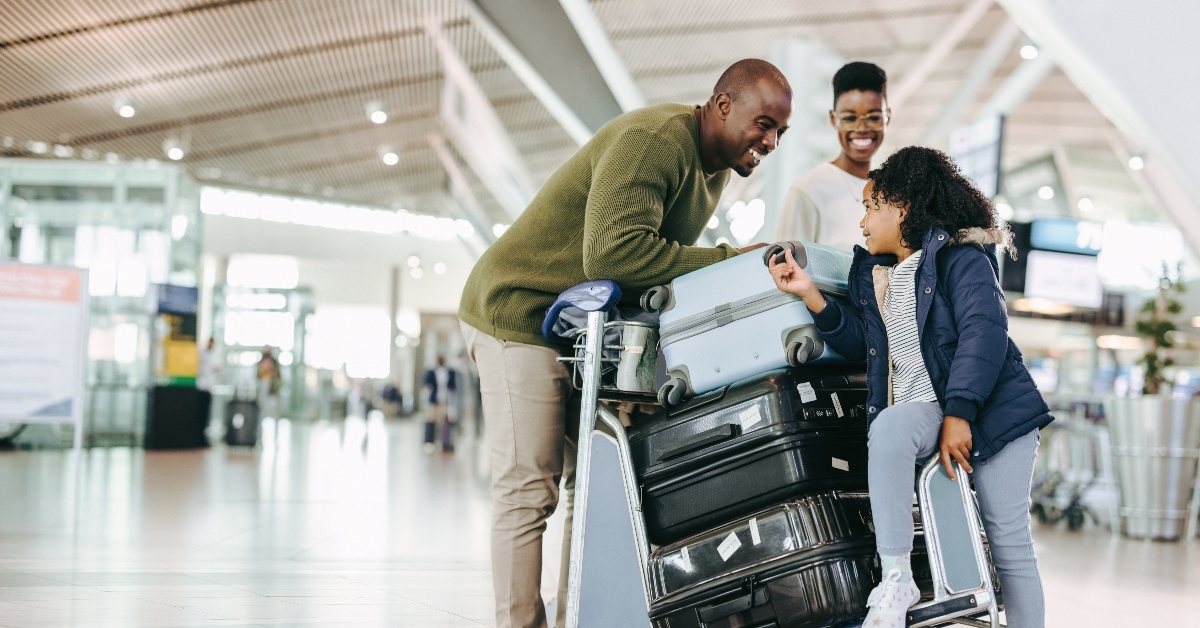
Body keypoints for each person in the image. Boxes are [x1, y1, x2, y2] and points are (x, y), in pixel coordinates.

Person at [458, 59, 792, 628]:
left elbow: (646, 271)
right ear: (723, 104)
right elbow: (614, 255)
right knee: (529, 488)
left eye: (780, 132)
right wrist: (730, 260)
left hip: (576, 328)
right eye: (764, 123)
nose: (771, 141)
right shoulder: (657, 141)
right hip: (518, 310)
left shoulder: (711, 170)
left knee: (590, 487)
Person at [768, 146, 1052, 628]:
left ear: (902, 207)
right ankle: (896, 576)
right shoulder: (879, 276)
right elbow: (864, 344)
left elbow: (985, 332)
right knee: (892, 426)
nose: (862, 223)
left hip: (996, 415)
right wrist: (810, 294)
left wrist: (960, 414)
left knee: (1008, 543)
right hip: (928, 408)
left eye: (870, 208)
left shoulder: (963, 260)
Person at [775, 62, 889, 251]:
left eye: (873, 117)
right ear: (833, 119)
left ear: (887, 118)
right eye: (849, 118)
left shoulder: (892, 193)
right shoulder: (808, 191)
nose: (861, 129)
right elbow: (783, 272)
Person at [422, 356, 457, 453]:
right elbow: (426, 383)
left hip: (445, 400)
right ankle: (429, 442)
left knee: (445, 422)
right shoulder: (431, 372)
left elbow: (453, 386)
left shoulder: (449, 372)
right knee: (431, 419)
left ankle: (445, 443)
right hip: (434, 400)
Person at [256, 346, 282, 420]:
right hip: (263, 383)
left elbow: (278, 375)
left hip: (272, 387)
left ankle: (276, 422)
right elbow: (257, 374)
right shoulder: (261, 362)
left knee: (274, 406)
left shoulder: (274, 362)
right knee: (261, 405)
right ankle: (260, 423)